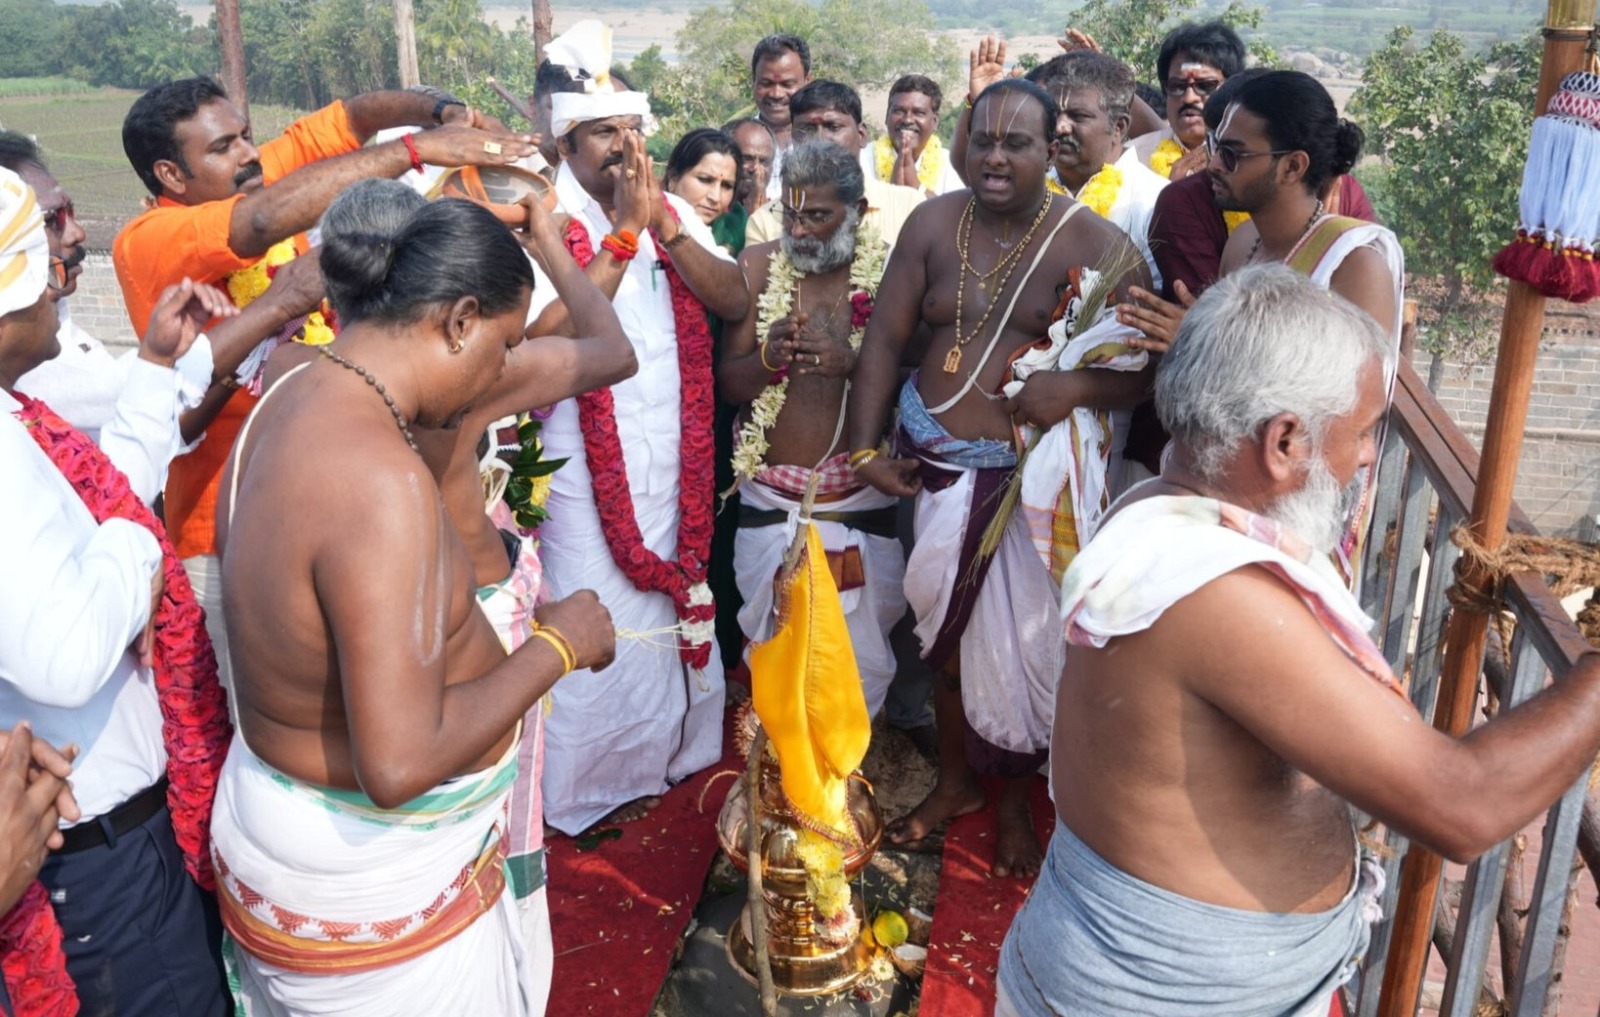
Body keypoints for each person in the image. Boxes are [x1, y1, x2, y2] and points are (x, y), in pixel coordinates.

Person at [998, 264, 1600, 1016]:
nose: (1367, 458)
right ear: (1284, 441)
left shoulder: (1154, 503)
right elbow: (1464, 807)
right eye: (1361, 433)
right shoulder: (1219, 595)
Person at [212, 197, 615, 1015]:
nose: (501, 372)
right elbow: (396, 763)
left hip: (286, 833)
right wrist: (558, 645)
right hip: (368, 879)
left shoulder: (288, 390)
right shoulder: (382, 476)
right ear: (460, 320)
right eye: (503, 346)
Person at [113, 76, 535, 700]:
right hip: (222, 532)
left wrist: (448, 112)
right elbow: (260, 221)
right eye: (223, 147)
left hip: (329, 499)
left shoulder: (257, 175)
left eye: (246, 136)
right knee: (256, 716)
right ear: (171, 176)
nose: (249, 154)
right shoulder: (149, 239)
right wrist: (421, 151)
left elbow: (352, 116)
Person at [847, 80, 1149, 879]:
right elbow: (883, 340)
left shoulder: (1100, 247)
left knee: (1016, 650)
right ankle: (955, 784)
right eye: (982, 139)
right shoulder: (932, 223)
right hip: (933, 464)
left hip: (1025, 486)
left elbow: (1152, 374)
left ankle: (1012, 802)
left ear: (1051, 149)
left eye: (1016, 143)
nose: (994, 157)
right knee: (942, 640)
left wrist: (1078, 389)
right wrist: (862, 447)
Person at [0, 165, 239, 1016]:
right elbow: (62, 657)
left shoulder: (17, 415)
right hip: (91, 861)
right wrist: (138, 553)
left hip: (116, 843)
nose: (68, 264)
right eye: (45, 252)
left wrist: (154, 366)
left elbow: (101, 497)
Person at [538, 62, 747, 834]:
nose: (624, 148)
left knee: (668, 617)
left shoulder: (667, 212)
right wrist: (623, 237)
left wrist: (658, 224)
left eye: (632, 130)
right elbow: (536, 342)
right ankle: (585, 790)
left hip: (673, 466)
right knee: (597, 616)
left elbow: (732, 297)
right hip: (580, 474)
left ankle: (663, 759)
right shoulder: (542, 217)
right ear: (565, 141)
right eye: (603, 132)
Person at [1120, 71, 1403, 587]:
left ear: (1293, 165)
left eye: (1232, 153)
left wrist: (1202, 343)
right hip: (1221, 483)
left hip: (1295, 502)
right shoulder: (1243, 240)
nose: (1212, 164)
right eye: (1212, 146)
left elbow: (1349, 407)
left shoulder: (1354, 264)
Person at [721, 141, 903, 718]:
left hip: (858, 501)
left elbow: (921, 375)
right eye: (790, 214)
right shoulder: (756, 266)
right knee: (776, 651)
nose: (799, 230)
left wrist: (854, 363)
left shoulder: (892, 269)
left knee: (858, 660)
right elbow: (728, 386)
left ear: (859, 210)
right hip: (772, 503)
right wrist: (767, 361)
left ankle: (845, 779)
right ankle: (780, 781)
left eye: (817, 216)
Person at [0, 131, 326, 453]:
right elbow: (125, 398)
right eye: (52, 220)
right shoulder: (141, 240)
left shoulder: (57, 316)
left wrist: (251, 348)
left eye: (70, 212)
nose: (77, 232)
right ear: (170, 173)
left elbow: (144, 448)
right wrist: (275, 308)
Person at [747, 81, 925, 249]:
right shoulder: (765, 222)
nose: (820, 139)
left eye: (833, 127)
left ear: (862, 134)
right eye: (807, 128)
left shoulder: (909, 206)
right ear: (793, 137)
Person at [1129, 21, 1246, 180]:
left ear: (1231, 88)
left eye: (1205, 86)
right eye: (1177, 86)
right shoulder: (1133, 159)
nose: (1189, 98)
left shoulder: (1252, 158)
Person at [865, 75, 963, 197]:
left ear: (935, 121)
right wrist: (891, 192)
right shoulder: (861, 159)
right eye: (899, 111)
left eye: (919, 113)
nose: (907, 120)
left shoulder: (951, 164)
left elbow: (954, 214)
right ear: (886, 117)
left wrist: (916, 188)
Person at [751, 34, 813, 198]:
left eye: (787, 84)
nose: (776, 94)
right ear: (753, 81)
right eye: (766, 84)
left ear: (807, 81)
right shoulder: (733, 143)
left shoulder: (825, 143)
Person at [664, 127, 743, 253]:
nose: (715, 197)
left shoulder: (736, 235)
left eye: (727, 186)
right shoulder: (642, 232)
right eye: (705, 180)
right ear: (673, 179)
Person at [724, 117, 777, 216]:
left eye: (764, 161)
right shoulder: (709, 210)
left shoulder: (782, 214)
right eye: (747, 159)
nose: (756, 168)